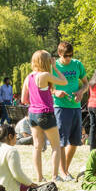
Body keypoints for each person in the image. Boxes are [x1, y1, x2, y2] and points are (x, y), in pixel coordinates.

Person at [20, 50, 67, 183]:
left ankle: (39, 176)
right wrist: (56, 68)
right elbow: (64, 82)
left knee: (37, 146)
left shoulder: (29, 77)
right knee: (56, 146)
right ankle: (55, 176)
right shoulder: (45, 75)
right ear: (46, 62)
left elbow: (24, 99)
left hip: (33, 114)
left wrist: (36, 101)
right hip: (45, 113)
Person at [51, 41, 87, 181]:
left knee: (75, 141)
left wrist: (81, 92)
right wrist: (56, 92)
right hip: (60, 107)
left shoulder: (77, 64)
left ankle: (66, 169)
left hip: (76, 107)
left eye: (71, 55)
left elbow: (86, 84)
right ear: (60, 53)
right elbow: (47, 87)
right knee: (61, 141)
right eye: (66, 55)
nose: (68, 58)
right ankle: (63, 172)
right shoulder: (54, 66)